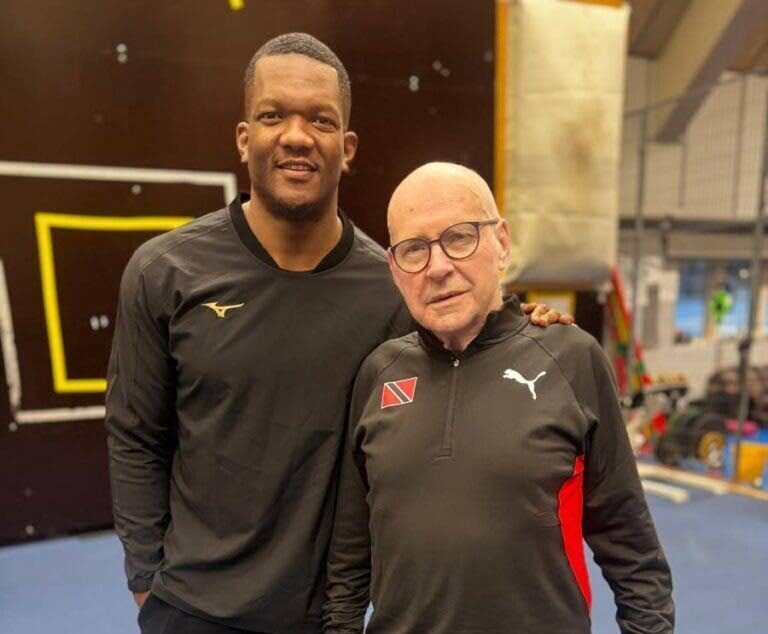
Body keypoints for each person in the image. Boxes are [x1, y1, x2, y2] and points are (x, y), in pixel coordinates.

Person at [105, 35, 569, 634]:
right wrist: (146, 582)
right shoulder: (163, 272)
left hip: (332, 620)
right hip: (193, 611)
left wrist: (537, 327)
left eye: (320, 120)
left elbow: (477, 350)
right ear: (245, 137)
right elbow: (136, 434)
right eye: (273, 115)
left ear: (346, 148)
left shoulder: (396, 286)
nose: (296, 136)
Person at [324, 162, 675, 634]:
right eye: (414, 250)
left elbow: (634, 551)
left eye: (460, 237)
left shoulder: (571, 360)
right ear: (394, 267)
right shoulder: (377, 374)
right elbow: (348, 560)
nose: (439, 267)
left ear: (501, 243)